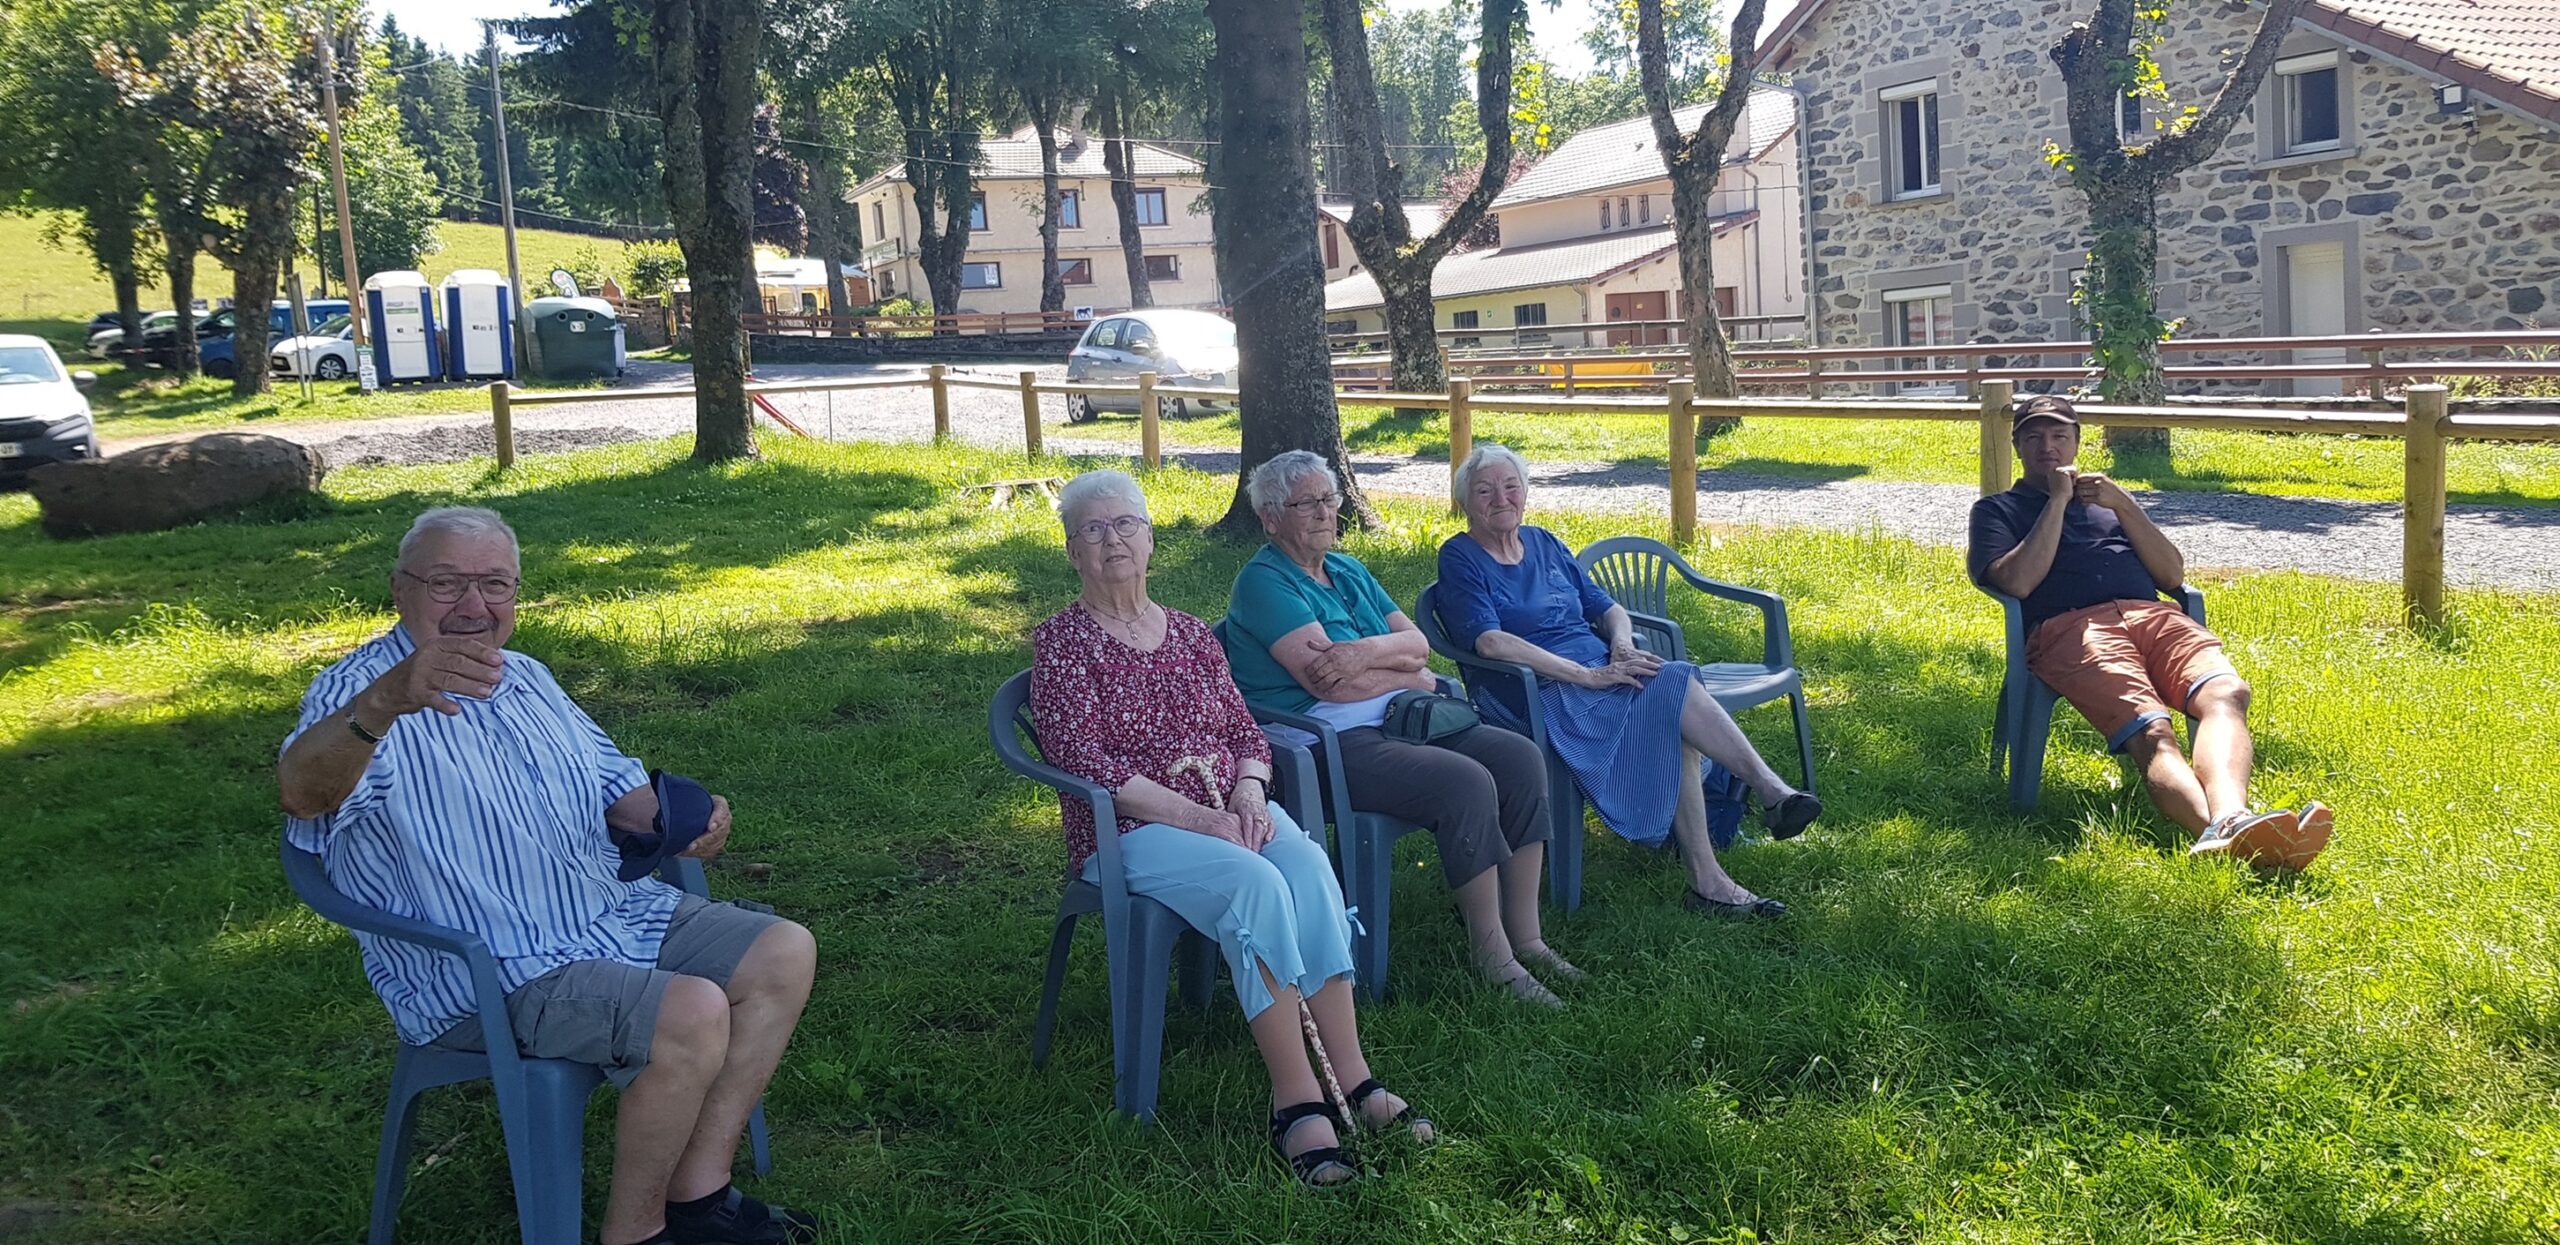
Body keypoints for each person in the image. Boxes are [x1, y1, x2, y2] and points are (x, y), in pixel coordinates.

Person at [278, 507, 821, 1245]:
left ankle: (700, 1193)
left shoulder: (527, 676)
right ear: (400, 589)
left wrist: (684, 820)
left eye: (495, 584)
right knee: (691, 1011)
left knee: (783, 950)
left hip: (603, 914)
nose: (474, 606)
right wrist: (385, 701)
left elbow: (617, 790)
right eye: (447, 583)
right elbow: (303, 794)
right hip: (487, 969)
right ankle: (637, 1233)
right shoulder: (357, 691)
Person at [1028, 470, 1431, 1186]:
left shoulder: (1188, 631)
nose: (1113, 539)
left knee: (1308, 868)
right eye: (1093, 528)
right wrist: (1200, 818)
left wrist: (1248, 790)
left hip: (1227, 805)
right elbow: (1084, 760)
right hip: (1128, 831)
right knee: (1256, 884)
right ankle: (1296, 1100)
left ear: (1151, 539)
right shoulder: (1062, 643)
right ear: (1072, 551)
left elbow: (1244, 729)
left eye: (1126, 524)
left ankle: (1355, 1077)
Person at [1222, 450, 1577, 1007]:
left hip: (1405, 716)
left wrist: (1364, 655)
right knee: (1463, 781)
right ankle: (1493, 956)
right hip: (1324, 742)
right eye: (1306, 504)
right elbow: (1328, 685)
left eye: (1329, 498)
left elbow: (1418, 644)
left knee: (1519, 759)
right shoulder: (1264, 583)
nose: (1325, 512)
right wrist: (1405, 672)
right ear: (1270, 518)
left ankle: (1527, 937)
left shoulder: (1348, 570)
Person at [1434, 445, 1821, 919]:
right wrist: (1587, 675)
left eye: (1511, 486)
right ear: (1465, 501)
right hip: (1540, 693)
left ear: (1525, 492)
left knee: (1668, 685)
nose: (1501, 499)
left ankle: (1723, 860)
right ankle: (1757, 810)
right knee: (1672, 692)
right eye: (1485, 491)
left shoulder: (1544, 543)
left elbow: (1608, 607)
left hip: (1603, 674)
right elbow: (1490, 642)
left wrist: (1619, 645)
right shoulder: (1460, 557)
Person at [1968, 394, 2332, 868]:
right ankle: (2232, 838)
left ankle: (2231, 818)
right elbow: (2016, 583)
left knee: (2226, 693)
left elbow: (2172, 575)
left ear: (2077, 442)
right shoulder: (1997, 510)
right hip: (2071, 629)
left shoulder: (2109, 502)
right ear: (2017, 446)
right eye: (2034, 437)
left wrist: (2125, 504)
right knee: (2151, 730)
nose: (2048, 447)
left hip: (2153, 617)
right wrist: (2056, 502)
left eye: (2059, 436)